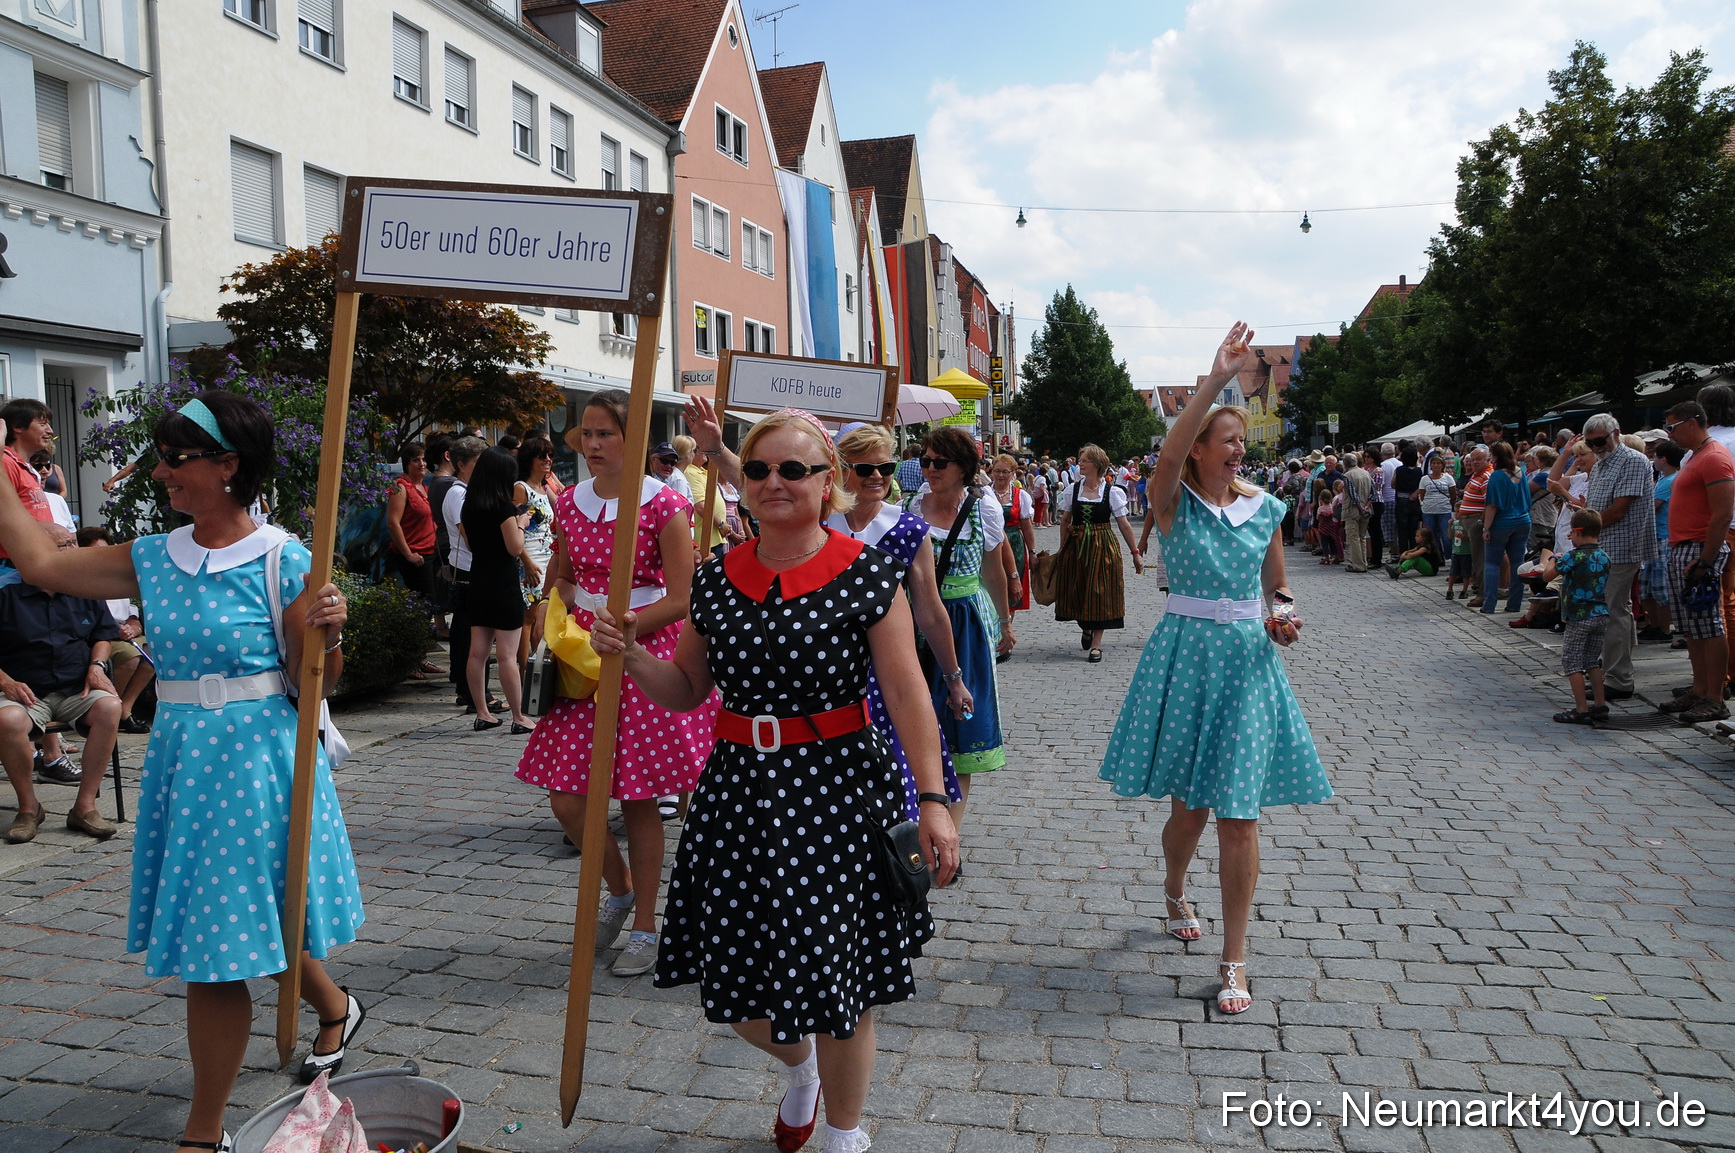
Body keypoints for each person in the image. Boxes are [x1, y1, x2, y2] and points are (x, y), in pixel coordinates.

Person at [0, 391, 362, 1151]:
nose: (160, 470)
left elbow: (309, 681)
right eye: (162, 456)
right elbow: (37, 559)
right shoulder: (150, 556)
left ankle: (203, 1133)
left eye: (177, 457)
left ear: (228, 465)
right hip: (184, 761)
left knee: (218, 946)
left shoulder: (283, 556)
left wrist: (327, 632)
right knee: (238, 916)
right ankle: (335, 1004)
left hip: (257, 764)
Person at [590, 409, 957, 1153]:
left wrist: (933, 799)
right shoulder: (718, 576)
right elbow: (688, 684)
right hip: (737, 797)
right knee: (734, 983)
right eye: (758, 470)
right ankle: (802, 1073)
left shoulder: (864, 571)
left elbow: (907, 693)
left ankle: (843, 1136)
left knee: (840, 985)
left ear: (828, 483)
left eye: (793, 470)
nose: (773, 482)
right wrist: (629, 656)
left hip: (838, 792)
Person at [1099, 324, 1332, 1016]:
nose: (1237, 450)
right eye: (1224, 440)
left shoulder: (1266, 508)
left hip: (1249, 668)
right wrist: (1211, 380)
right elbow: (1165, 452)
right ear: (1198, 448)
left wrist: (1284, 615)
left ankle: (1233, 960)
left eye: (1239, 441)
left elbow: (1278, 586)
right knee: (1190, 811)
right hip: (1185, 658)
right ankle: (1174, 885)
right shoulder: (1172, 501)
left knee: (1237, 814)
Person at [515, 390, 713, 977]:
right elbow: (565, 577)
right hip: (584, 656)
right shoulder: (571, 504)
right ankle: (620, 889)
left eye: (606, 434)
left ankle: (647, 924)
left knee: (640, 799)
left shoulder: (667, 505)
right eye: (588, 435)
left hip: (643, 652)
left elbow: (682, 597)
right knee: (568, 799)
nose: (594, 445)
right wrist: (555, 614)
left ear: (632, 440)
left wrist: (623, 629)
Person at [830, 424, 967, 818]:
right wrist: (718, 450)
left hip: (887, 672)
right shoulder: (818, 524)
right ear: (840, 470)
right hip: (825, 669)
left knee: (894, 779)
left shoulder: (907, 529)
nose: (877, 476)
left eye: (886, 467)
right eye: (865, 468)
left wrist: (953, 678)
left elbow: (929, 609)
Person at [906, 426, 1012, 834]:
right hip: (917, 620)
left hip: (967, 621)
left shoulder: (984, 510)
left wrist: (1005, 620)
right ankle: (920, 821)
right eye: (925, 461)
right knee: (918, 719)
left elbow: (993, 569)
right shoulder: (912, 507)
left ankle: (951, 828)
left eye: (939, 462)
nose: (930, 469)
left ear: (964, 468)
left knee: (961, 725)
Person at [0, 529, 123, 843]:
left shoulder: (83, 586)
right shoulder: (6, 591)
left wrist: (97, 665)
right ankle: (29, 808)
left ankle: (85, 807)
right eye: (64, 544)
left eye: (73, 542)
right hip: (23, 690)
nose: (74, 548)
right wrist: (6, 681)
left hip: (75, 687)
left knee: (110, 707)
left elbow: (103, 635)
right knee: (7, 719)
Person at [1657, 402, 1733, 722]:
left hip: (1698, 549)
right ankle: (1701, 689)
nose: (1670, 434)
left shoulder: (1714, 457)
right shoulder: (1695, 456)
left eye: (1672, 427)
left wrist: (1705, 560)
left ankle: (1714, 696)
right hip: (1684, 548)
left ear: (1693, 423)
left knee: (1708, 623)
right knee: (1692, 627)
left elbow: (1722, 514)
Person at [1579, 415, 1656, 700]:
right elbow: (1598, 506)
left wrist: (1586, 529)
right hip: (1604, 545)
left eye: (1600, 441)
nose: (1596, 446)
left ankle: (1619, 679)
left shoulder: (1633, 460)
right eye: (1591, 442)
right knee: (1617, 609)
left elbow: (1619, 509)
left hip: (1622, 546)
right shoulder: (1602, 463)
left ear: (1616, 434)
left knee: (1612, 612)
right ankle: (1617, 670)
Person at [459, 448, 534, 733]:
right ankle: (518, 716)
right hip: (503, 583)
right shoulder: (503, 507)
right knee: (507, 654)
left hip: (478, 579)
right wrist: (521, 523)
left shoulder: (470, 505)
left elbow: (468, 544)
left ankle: (482, 712)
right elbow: (514, 548)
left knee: (477, 652)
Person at [1054, 444, 1143, 661]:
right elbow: (1065, 520)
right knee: (1079, 590)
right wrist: (1062, 548)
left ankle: (1096, 643)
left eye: (1084, 460)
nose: (1080, 463)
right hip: (1076, 545)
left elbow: (1124, 525)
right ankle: (1086, 627)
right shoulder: (1072, 489)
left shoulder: (1112, 492)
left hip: (1103, 545)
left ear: (1097, 464)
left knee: (1101, 592)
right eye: (1080, 460)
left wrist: (1135, 552)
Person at [77, 526, 156, 733]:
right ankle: (109, 706)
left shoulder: (114, 576)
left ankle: (125, 707)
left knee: (155, 651)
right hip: (102, 637)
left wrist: (134, 625)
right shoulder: (80, 581)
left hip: (124, 634)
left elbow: (130, 611)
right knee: (131, 656)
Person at [1542, 509, 1611, 724]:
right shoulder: (1603, 555)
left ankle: (1581, 708)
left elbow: (1547, 575)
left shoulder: (1574, 556)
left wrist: (1553, 558)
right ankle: (1600, 705)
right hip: (1600, 613)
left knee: (1572, 662)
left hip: (1579, 616)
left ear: (1579, 532)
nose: (1570, 536)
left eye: (1571, 532)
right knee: (1592, 661)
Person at [441, 436, 491, 711]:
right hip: (467, 566)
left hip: (472, 566)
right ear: (461, 465)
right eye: (477, 463)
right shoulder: (458, 493)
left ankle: (470, 689)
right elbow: (469, 534)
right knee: (469, 634)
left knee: (469, 632)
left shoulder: (469, 491)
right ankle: (471, 691)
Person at [514, 436, 562, 664]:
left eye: (550, 455)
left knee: (540, 616)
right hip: (530, 558)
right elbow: (513, 527)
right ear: (529, 459)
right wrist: (526, 561)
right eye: (542, 456)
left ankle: (537, 670)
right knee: (528, 618)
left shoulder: (543, 489)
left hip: (546, 558)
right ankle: (524, 675)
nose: (548, 460)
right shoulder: (521, 488)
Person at [1639, 440, 1684, 643]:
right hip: (1656, 537)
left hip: (1663, 537)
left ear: (1663, 459)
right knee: (1647, 586)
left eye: (1655, 456)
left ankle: (1663, 628)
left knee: (1659, 587)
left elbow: (1652, 507)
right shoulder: (1665, 479)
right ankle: (1654, 625)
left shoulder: (1668, 481)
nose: (1653, 459)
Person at [1480, 441, 1531, 614]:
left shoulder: (1497, 476)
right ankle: (1514, 604)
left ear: (1497, 456)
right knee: (1518, 562)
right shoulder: (1521, 473)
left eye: (1492, 456)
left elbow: (1492, 505)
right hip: (1523, 520)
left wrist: (1486, 528)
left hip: (1502, 523)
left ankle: (1489, 604)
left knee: (1492, 562)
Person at [384, 440, 439, 604]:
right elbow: (393, 523)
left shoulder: (424, 487)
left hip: (431, 554)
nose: (421, 464)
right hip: (416, 556)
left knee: (433, 602)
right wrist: (408, 554)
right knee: (426, 603)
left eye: (423, 459)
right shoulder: (401, 488)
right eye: (416, 460)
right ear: (407, 464)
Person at [990, 453, 1035, 627]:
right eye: (997, 471)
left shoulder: (1020, 496)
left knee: (1012, 587)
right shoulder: (984, 492)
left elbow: (1027, 527)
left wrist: (1032, 552)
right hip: (990, 544)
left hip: (1014, 543)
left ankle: (1006, 629)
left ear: (1013, 473)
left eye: (1005, 472)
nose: (1000, 475)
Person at [1457, 447, 1491, 606]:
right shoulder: (1476, 475)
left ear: (1487, 460)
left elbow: (1488, 503)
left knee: (1480, 559)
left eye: (1479, 459)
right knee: (1476, 559)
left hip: (1477, 522)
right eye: (1473, 459)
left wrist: (1480, 523)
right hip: (1470, 520)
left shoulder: (1485, 476)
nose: (1474, 462)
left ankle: (1483, 595)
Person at [1416, 452, 1457, 551]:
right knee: (1432, 536)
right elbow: (1422, 495)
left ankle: (1449, 556)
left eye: (1438, 463)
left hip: (1444, 510)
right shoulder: (1424, 479)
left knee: (1446, 535)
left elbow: (1453, 494)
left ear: (1442, 465)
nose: (1436, 465)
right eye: (1434, 463)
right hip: (1429, 511)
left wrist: (1449, 504)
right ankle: (1438, 557)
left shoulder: (1448, 478)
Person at [1342, 454, 1374, 572]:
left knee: (1353, 537)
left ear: (1345, 464)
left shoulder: (1347, 475)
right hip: (1366, 509)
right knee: (1362, 537)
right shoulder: (1366, 473)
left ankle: (1358, 565)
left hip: (1352, 510)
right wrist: (1367, 506)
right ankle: (1363, 562)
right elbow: (1373, 492)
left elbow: (1352, 494)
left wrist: (1360, 507)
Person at [1444, 512, 1473, 599]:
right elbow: (1450, 536)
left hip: (1466, 552)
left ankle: (1464, 590)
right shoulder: (1455, 524)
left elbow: (1471, 538)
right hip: (1456, 552)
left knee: (1466, 573)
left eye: (1459, 513)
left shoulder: (1468, 524)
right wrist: (1449, 526)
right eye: (1456, 512)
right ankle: (1449, 590)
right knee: (1453, 572)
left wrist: (1463, 537)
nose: (1456, 515)